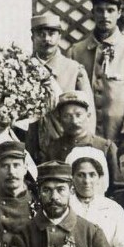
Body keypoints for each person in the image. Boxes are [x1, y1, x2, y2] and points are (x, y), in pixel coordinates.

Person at [68, 0, 124, 143]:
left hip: (119, 137)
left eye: (110, 10)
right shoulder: (76, 51)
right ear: (92, 13)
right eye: (99, 11)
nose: (105, 16)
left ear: (119, 13)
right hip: (85, 137)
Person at [27, 13, 94, 158]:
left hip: (63, 142)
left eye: (51, 33)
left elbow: (89, 113)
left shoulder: (74, 69)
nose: (47, 39)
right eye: (41, 34)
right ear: (32, 38)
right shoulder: (20, 68)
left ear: (59, 37)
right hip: (27, 139)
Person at [66, 146, 124, 247]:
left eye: (92, 175)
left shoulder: (113, 209)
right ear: (71, 178)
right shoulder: (64, 207)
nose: (87, 181)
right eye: (80, 175)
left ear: (100, 177)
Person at [41, 91, 119, 183]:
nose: (74, 121)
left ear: (88, 116)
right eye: (67, 116)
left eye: (78, 115)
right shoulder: (53, 149)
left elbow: (117, 186)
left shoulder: (105, 147)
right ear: (59, 119)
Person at [0, 141, 38, 245]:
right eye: (5, 166)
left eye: (16, 165)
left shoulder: (37, 201)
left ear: (25, 168)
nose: (11, 172)